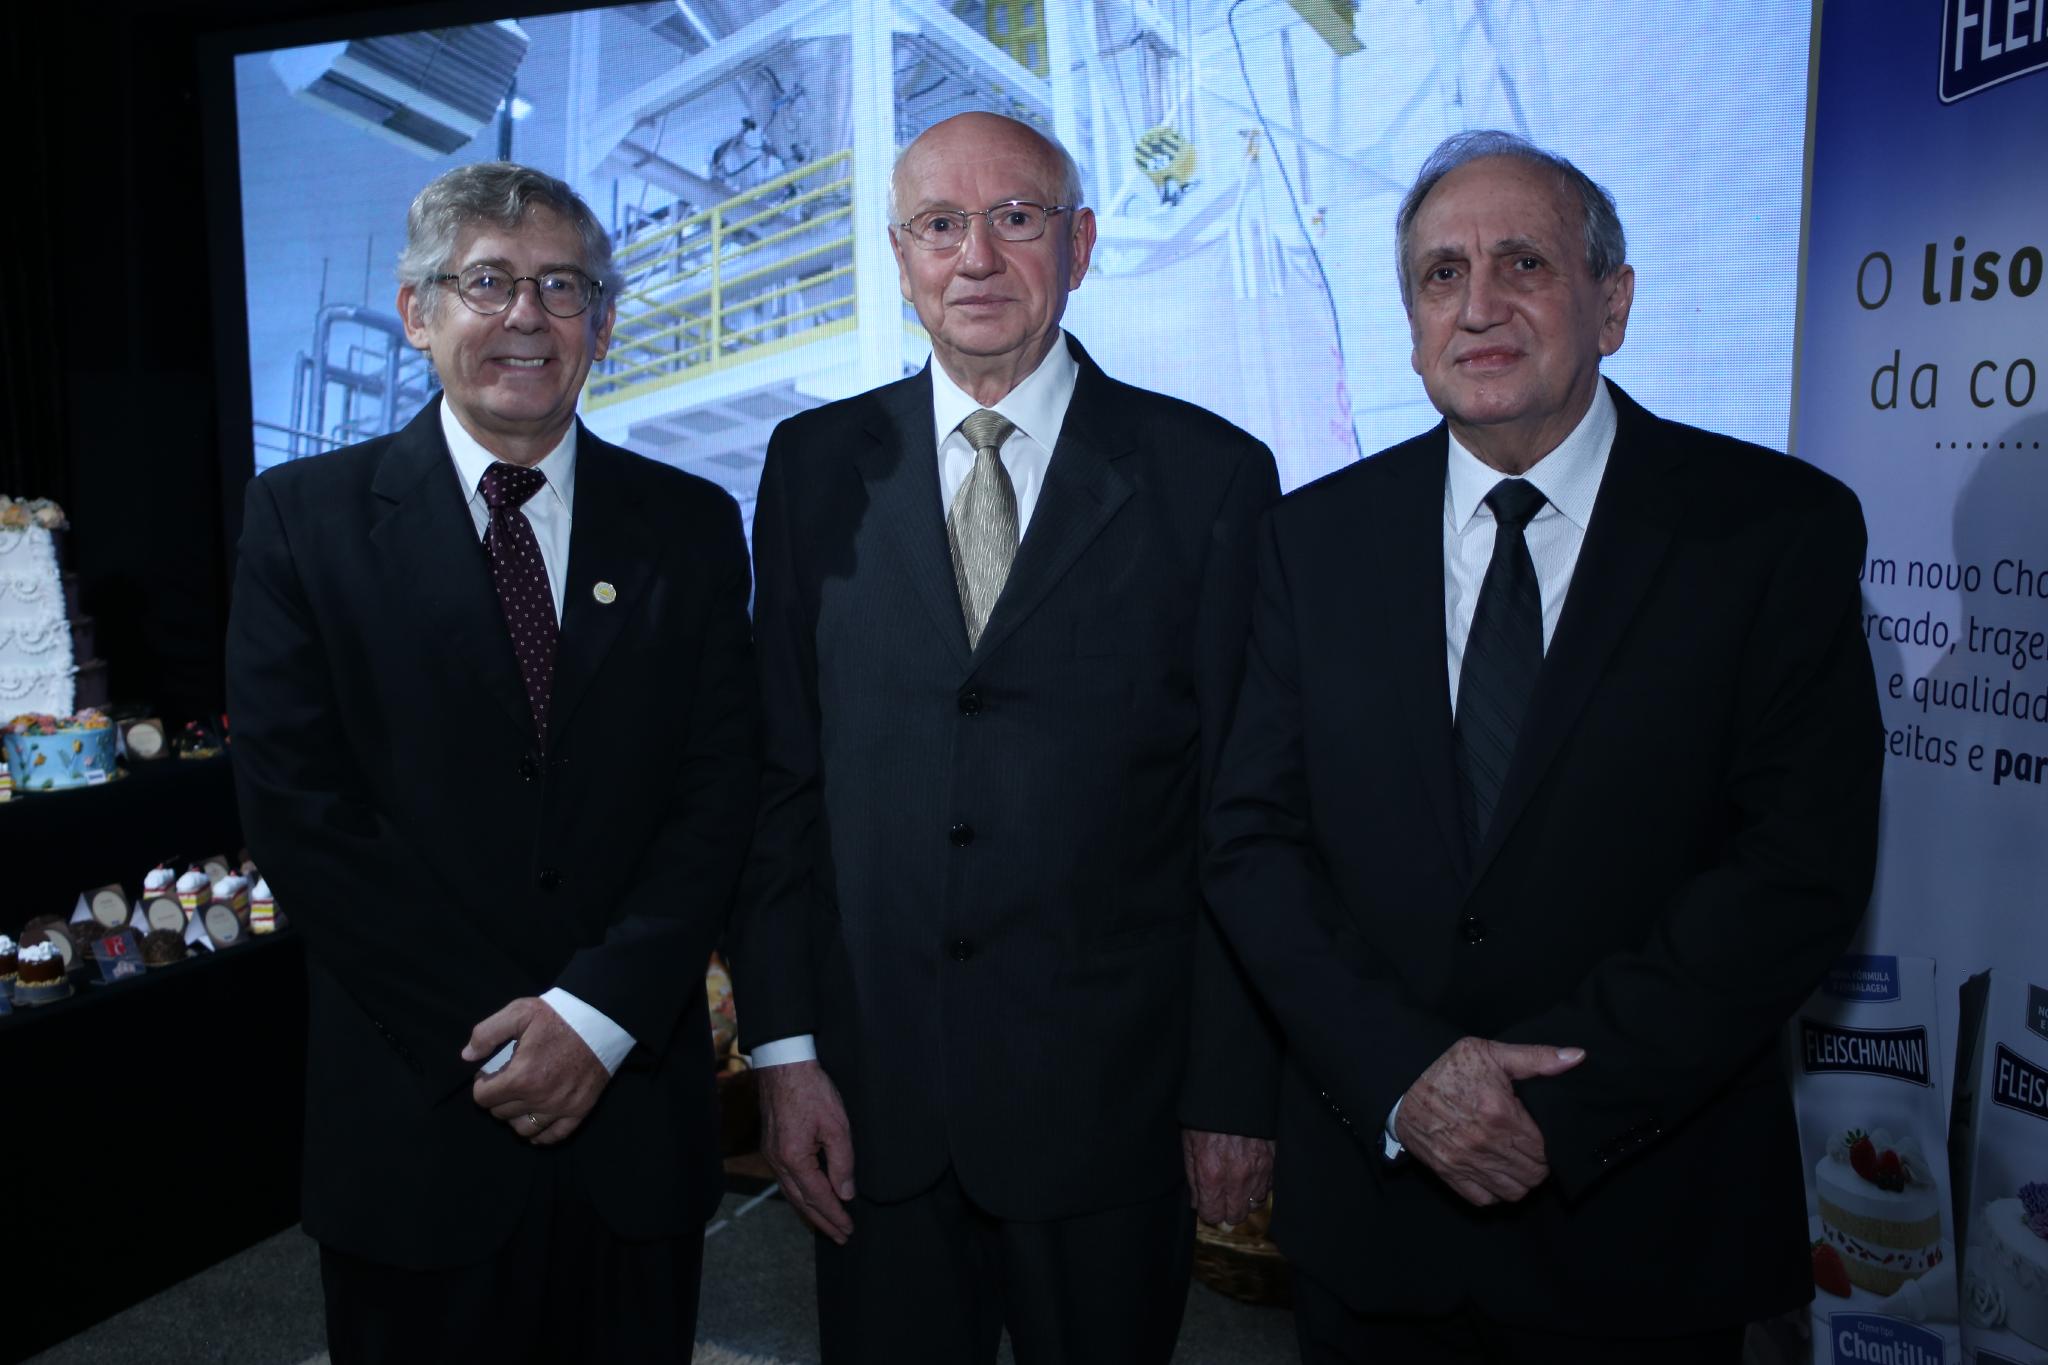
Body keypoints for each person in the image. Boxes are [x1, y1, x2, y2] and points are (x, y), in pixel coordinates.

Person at [1202, 130, 1882, 1364]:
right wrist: (1407, 1076)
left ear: (1610, 303)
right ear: (1411, 325)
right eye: (1440, 274)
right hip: (1378, 1220)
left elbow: (1795, 871)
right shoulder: (1311, 543)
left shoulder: (1769, 532)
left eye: (1521, 262)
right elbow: (1252, 841)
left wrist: (1551, 1107)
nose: (1478, 306)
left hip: (1638, 1219)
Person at [731, 111, 1280, 1364]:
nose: (974, 257)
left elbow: (1243, 812)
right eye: (938, 225)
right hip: (870, 1109)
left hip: (1112, 1115)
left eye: (1013, 219)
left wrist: (1231, 1091)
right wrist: (784, 1052)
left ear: (1077, 245)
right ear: (899, 257)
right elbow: (782, 781)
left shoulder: (1209, 477)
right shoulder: (812, 468)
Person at [226, 161, 756, 1362]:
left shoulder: (688, 526)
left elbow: (719, 789)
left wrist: (595, 1017)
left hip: (631, 1115)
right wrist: (512, 1040)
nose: (527, 315)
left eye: (563, 286)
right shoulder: (302, 521)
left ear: (602, 325)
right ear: (417, 313)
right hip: (417, 1118)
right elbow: (301, 812)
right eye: (487, 282)